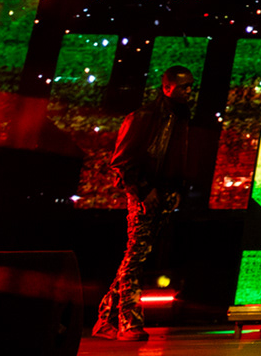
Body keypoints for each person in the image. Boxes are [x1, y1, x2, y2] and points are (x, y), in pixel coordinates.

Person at [95, 66, 195, 343]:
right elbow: (122, 161)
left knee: (136, 257)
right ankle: (128, 322)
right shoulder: (144, 116)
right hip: (144, 193)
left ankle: (107, 319)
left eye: (190, 86)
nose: (189, 91)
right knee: (135, 258)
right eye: (184, 86)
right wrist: (143, 190)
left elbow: (175, 157)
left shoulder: (179, 116)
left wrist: (174, 190)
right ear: (167, 87)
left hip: (161, 193)